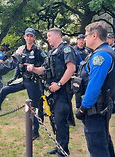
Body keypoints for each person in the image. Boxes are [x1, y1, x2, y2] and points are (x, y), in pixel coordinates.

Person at [27, 27, 76, 157]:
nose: (47, 39)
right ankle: (60, 145)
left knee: (61, 120)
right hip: (52, 92)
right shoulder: (52, 52)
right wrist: (34, 69)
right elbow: (44, 69)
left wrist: (59, 84)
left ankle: (63, 151)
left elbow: (71, 68)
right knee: (55, 120)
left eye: (49, 36)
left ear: (57, 35)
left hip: (62, 91)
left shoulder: (66, 49)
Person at [0, 27, 45, 140]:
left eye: (31, 36)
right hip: (23, 80)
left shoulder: (38, 50)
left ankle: (35, 131)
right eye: (27, 36)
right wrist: (14, 77)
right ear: (24, 37)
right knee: (5, 89)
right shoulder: (21, 50)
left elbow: (46, 65)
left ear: (34, 38)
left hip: (33, 81)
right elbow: (18, 65)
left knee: (34, 106)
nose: (29, 38)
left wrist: (36, 69)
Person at [75, 22, 115, 157]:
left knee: (97, 148)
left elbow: (93, 87)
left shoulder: (100, 56)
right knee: (104, 143)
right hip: (102, 106)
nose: (84, 39)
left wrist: (83, 108)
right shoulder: (105, 52)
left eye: (86, 35)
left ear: (94, 35)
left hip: (95, 109)